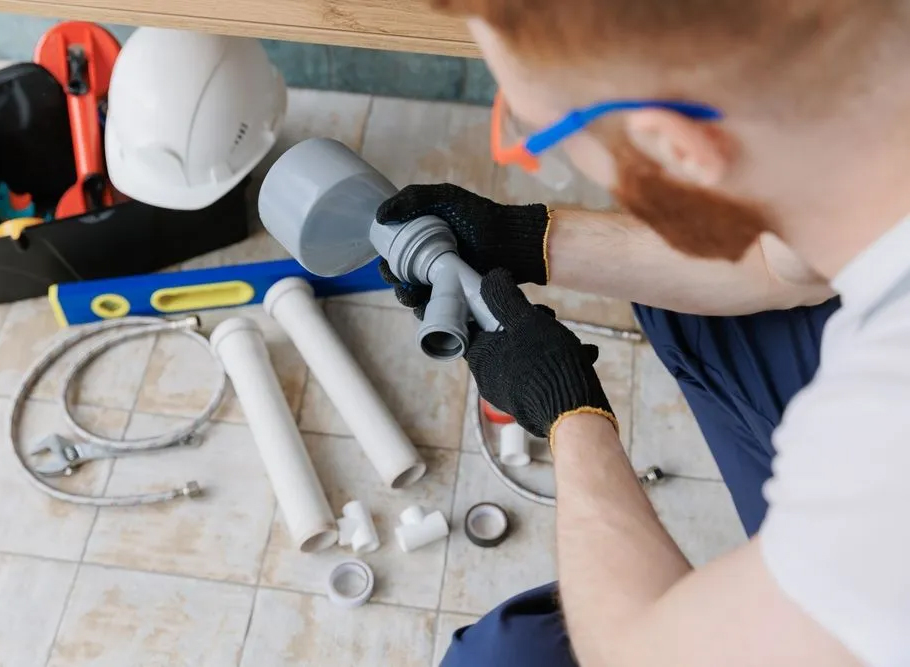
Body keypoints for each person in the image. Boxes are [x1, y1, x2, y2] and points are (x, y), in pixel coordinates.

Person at [376, 1, 910, 665]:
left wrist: (568, 411)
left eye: (533, 131)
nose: (531, 144)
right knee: (694, 303)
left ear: (678, 146)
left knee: (503, 657)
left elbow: (634, 653)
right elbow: (784, 265)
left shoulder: (885, 445)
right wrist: (528, 238)